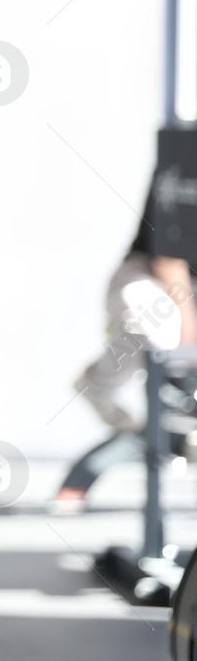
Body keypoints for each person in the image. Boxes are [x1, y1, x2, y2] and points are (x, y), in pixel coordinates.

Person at [55, 179, 197, 511]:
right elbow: (167, 259)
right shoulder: (184, 153)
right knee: (164, 327)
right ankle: (98, 384)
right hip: (152, 277)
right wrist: (187, 320)